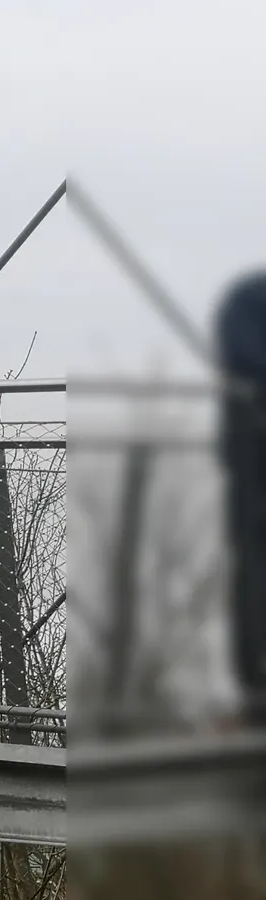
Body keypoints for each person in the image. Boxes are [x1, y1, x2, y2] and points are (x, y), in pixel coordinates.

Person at [217, 271, 266, 726]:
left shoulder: (247, 299)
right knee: (253, 567)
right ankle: (256, 687)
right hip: (253, 459)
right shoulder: (248, 299)